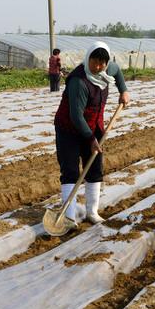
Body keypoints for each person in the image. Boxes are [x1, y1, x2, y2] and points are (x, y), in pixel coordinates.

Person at [52, 40, 130, 224]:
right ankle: (69, 215)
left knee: (94, 167)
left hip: (94, 126)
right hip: (69, 129)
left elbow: (117, 71)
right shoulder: (78, 81)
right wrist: (91, 139)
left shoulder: (107, 69)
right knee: (70, 169)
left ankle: (91, 212)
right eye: (94, 62)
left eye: (102, 63)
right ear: (88, 59)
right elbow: (76, 116)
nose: (98, 67)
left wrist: (123, 90)